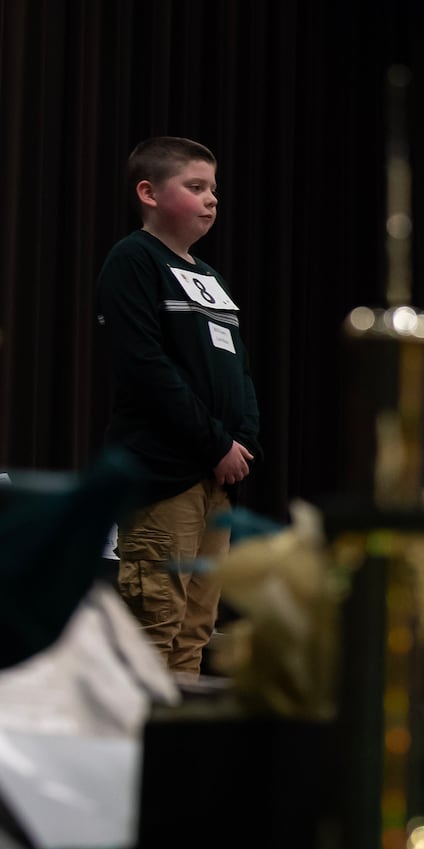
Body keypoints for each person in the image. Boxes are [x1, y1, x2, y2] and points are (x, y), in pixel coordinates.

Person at [97, 136, 260, 675]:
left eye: (214, 189)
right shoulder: (134, 260)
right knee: (155, 628)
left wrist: (243, 441)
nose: (212, 199)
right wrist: (215, 443)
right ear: (148, 192)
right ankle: (136, 756)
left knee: (196, 631)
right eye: (195, 187)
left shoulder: (210, 277)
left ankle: (178, 754)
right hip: (164, 473)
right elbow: (145, 367)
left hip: (216, 478)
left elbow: (237, 368)